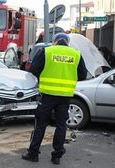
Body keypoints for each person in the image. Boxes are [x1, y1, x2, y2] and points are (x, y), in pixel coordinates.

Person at [22, 33, 87, 164]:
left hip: (47, 95)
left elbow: (34, 70)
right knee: (61, 125)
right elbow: (82, 75)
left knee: (40, 124)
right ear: (67, 42)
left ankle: (33, 153)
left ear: (54, 42)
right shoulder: (76, 54)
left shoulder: (47, 51)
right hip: (65, 96)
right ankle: (57, 156)